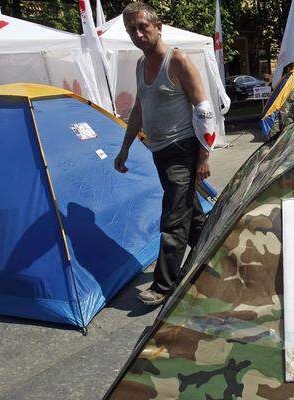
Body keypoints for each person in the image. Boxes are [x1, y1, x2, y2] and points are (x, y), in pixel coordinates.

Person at [114, 2, 216, 305]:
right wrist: (125, 147)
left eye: (143, 26)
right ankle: (213, 261)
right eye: (131, 29)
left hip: (183, 149)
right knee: (191, 214)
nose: (138, 33)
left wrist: (204, 156)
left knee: (173, 217)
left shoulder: (178, 61)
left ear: (158, 26)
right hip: (159, 151)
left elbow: (204, 110)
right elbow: (140, 108)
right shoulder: (140, 65)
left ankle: (163, 285)